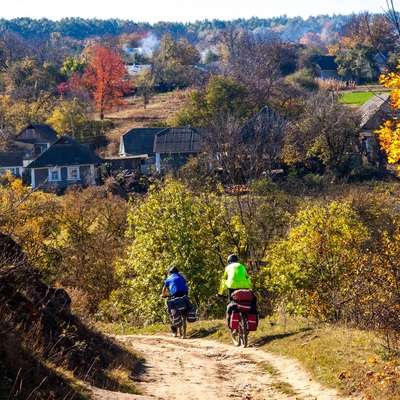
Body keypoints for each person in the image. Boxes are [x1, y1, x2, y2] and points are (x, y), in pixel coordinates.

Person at [218, 254, 255, 328]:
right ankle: (247, 319)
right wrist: (250, 289)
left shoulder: (228, 267)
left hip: (232, 287)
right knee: (247, 302)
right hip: (245, 286)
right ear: (237, 260)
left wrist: (220, 293)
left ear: (229, 261)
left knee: (232, 303)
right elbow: (247, 277)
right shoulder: (242, 266)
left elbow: (223, 280)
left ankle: (230, 324)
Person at [161, 266, 189, 334]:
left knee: (171, 309)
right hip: (185, 293)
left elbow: (164, 289)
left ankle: (174, 329)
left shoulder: (169, 278)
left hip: (175, 294)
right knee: (185, 302)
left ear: (170, 273)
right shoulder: (181, 276)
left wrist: (163, 295)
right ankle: (185, 313)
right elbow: (184, 284)